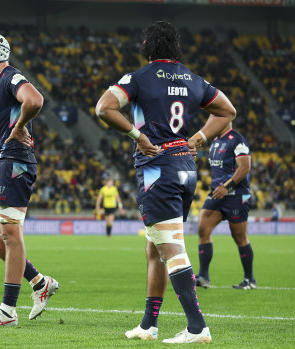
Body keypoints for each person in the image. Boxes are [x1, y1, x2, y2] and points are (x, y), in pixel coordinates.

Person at [96, 21, 236, 343]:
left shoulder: (139, 78)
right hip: (186, 167)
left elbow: (104, 108)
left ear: (147, 45)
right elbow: (227, 110)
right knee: (155, 247)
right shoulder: (192, 78)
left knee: (170, 247)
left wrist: (138, 135)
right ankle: (149, 325)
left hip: (157, 167)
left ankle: (197, 327)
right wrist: (199, 137)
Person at [0, 33, 59, 327]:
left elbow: (35, 99)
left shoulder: (10, 76)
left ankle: (8, 311)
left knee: (10, 233)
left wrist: (20, 125)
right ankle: (38, 282)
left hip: (14, 161)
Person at [195, 122, 255, 290]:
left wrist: (226, 186)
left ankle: (249, 279)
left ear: (224, 119)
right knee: (203, 228)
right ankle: (204, 276)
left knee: (239, 237)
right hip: (217, 193)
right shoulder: (215, 141)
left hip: (235, 195)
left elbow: (245, 167)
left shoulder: (237, 140)